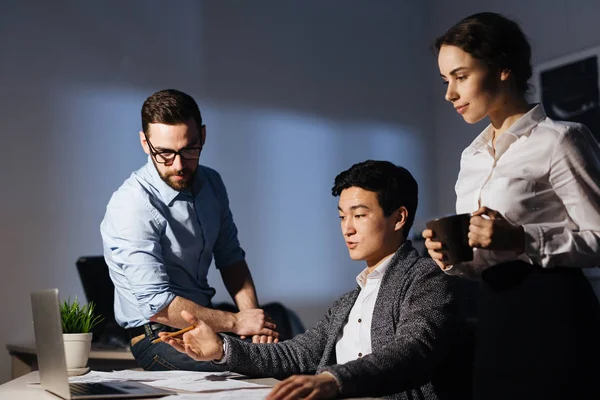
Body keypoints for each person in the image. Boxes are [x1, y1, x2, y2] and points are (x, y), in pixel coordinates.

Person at [161, 160, 469, 400]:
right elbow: (295, 353)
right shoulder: (349, 302)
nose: (347, 228)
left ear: (399, 218)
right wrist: (221, 349)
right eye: (341, 216)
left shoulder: (426, 277)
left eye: (359, 216)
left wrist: (332, 380)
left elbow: (412, 351)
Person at [423, 12, 600, 400]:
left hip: (556, 315)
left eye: (460, 76)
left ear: (502, 67)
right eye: (445, 80)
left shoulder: (561, 140)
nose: (449, 94)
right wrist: (451, 258)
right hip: (494, 316)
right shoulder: (471, 156)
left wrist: (522, 239)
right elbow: (483, 260)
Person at [100, 89, 277, 372]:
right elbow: (159, 307)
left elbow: (231, 258)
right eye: (165, 154)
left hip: (208, 324)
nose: (179, 165)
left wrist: (251, 320)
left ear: (203, 137)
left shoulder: (212, 183)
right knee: (251, 371)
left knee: (289, 359)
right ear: (145, 143)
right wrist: (236, 321)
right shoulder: (131, 205)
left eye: (189, 150)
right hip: (159, 336)